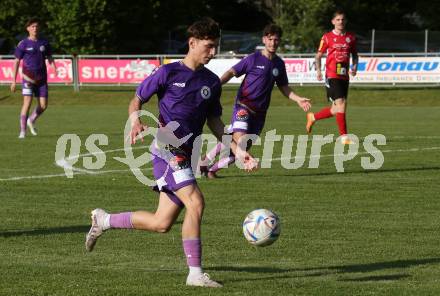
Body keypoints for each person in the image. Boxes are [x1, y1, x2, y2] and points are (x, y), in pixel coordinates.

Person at [85, 17, 257, 288]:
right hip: (167, 148)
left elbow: (215, 123)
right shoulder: (168, 73)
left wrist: (237, 149)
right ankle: (195, 274)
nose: (213, 52)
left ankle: (104, 220)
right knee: (196, 203)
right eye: (209, 46)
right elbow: (137, 98)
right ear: (192, 43)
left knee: (161, 223)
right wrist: (136, 120)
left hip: (186, 154)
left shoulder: (211, 82)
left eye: (216, 47)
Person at [200, 24, 311, 178]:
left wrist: (298, 99)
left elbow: (284, 87)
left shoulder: (278, 64)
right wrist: (216, 84)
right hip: (243, 106)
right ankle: (206, 163)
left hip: (260, 114)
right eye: (270, 39)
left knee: (238, 144)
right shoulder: (253, 58)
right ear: (264, 39)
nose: (273, 43)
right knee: (241, 143)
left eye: (276, 40)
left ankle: (210, 168)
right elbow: (232, 72)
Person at [306, 10, 358, 145]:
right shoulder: (327, 37)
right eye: (338, 19)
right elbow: (318, 56)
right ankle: (344, 137)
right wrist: (318, 70)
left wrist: (354, 66)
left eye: (342, 19)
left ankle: (313, 117)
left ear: (345, 21)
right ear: (333, 21)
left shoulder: (351, 37)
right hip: (332, 75)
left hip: (344, 76)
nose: (340, 22)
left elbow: (355, 55)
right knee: (342, 104)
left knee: (336, 109)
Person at [10, 17, 57, 139]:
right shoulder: (23, 44)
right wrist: (13, 81)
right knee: (27, 103)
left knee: (43, 105)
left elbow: (50, 58)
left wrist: (55, 68)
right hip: (28, 80)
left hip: (42, 80)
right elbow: (16, 62)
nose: (35, 28)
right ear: (28, 29)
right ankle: (22, 131)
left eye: (36, 26)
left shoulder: (44, 43)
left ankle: (31, 120)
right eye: (32, 26)